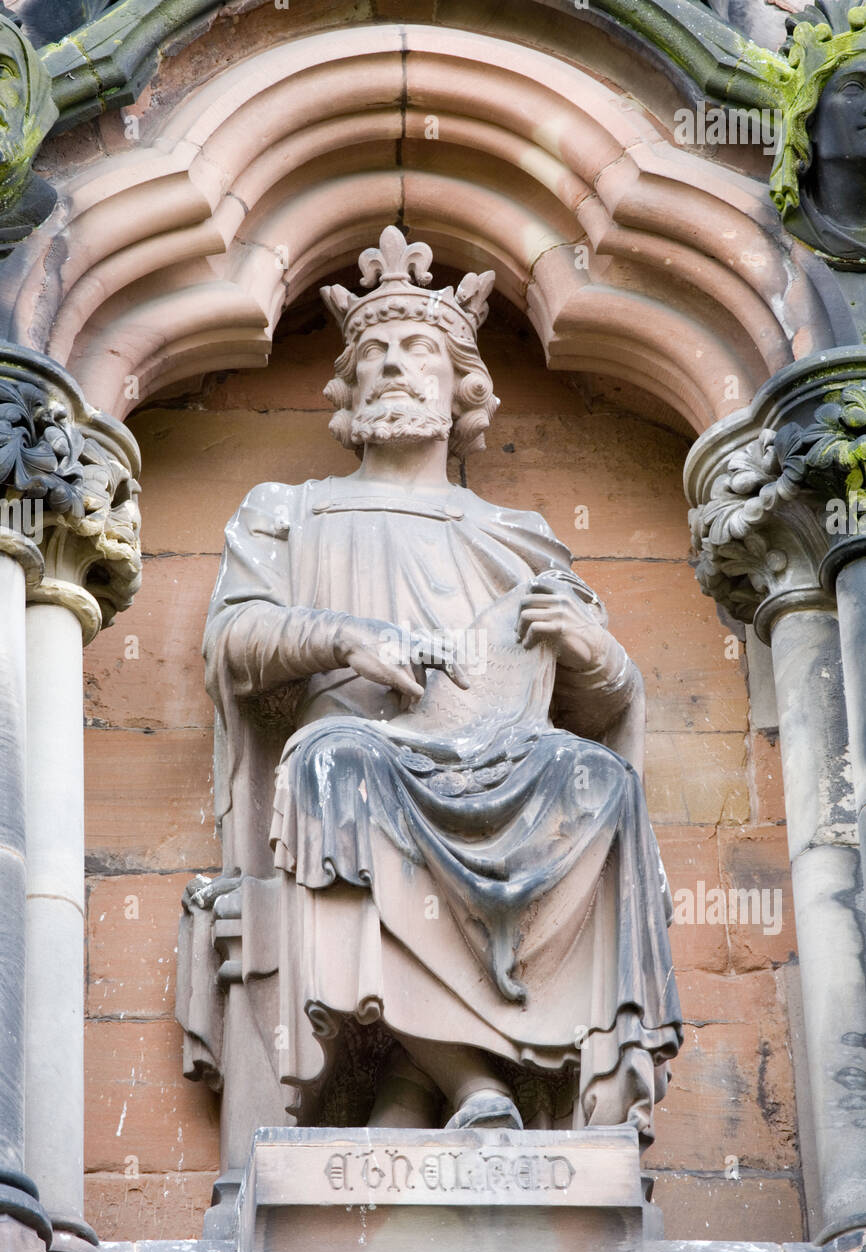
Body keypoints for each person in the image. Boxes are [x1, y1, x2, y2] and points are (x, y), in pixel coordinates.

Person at [181, 227, 681, 1162]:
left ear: (463, 387)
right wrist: (346, 637)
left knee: (597, 782)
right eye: (370, 355)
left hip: (496, 756)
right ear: (348, 390)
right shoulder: (288, 512)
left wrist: (595, 654)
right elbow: (233, 642)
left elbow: (603, 701)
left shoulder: (518, 535)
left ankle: (413, 1090)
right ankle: (470, 1081)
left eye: (417, 352)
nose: (391, 369)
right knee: (341, 766)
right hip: (360, 753)